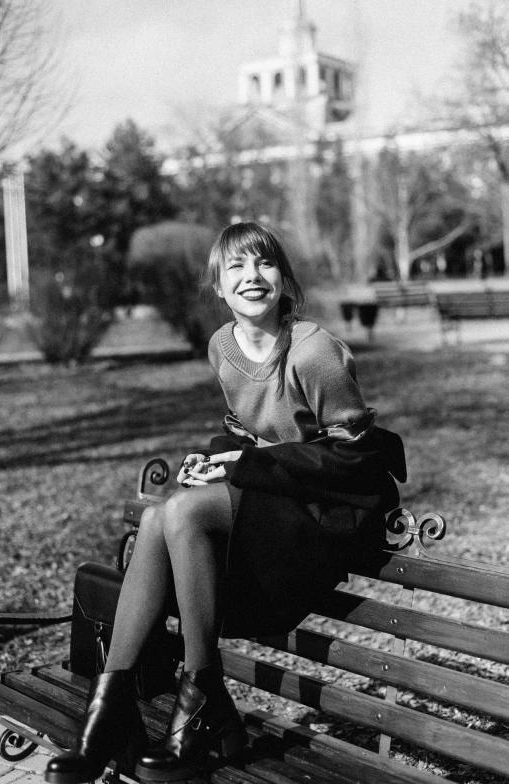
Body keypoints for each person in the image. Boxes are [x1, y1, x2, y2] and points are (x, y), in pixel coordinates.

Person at [45, 221, 406, 784]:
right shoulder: (222, 345)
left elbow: (355, 460)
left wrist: (246, 465)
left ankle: (194, 698)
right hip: (271, 494)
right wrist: (217, 459)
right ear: (218, 286)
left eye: (263, 263)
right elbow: (244, 428)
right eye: (235, 267)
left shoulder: (314, 354)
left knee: (181, 511)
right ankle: (115, 705)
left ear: (283, 279)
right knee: (163, 513)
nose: (251, 277)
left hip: (328, 509)